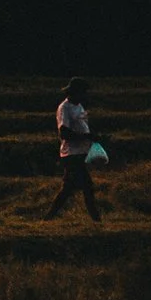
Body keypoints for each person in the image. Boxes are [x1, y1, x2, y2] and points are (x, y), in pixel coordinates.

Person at [47, 81, 103, 220]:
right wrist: (86, 136)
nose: (85, 95)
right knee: (87, 186)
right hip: (71, 153)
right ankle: (97, 220)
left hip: (80, 153)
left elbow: (83, 127)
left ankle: (48, 218)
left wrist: (91, 137)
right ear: (75, 92)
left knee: (68, 189)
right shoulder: (64, 108)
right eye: (83, 92)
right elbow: (64, 133)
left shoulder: (80, 107)